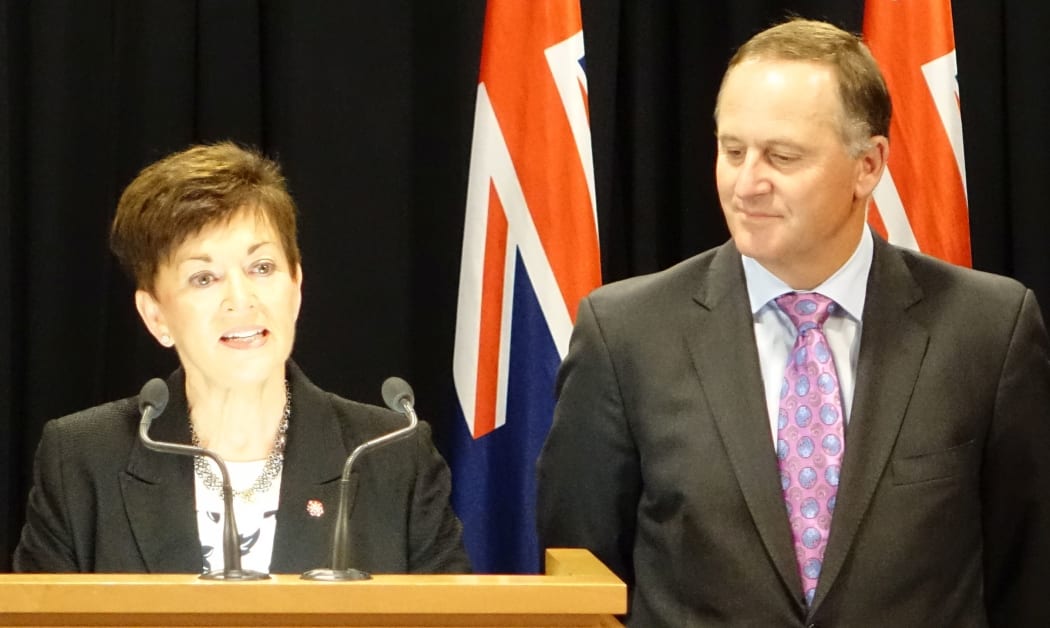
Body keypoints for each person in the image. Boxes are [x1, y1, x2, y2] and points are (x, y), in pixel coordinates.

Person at [537, 17, 1050, 627]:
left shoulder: (988, 329)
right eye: (732, 151)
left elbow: (1029, 577)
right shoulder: (624, 335)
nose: (747, 183)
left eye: (782, 156)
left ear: (869, 165)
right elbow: (580, 583)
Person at [15, 142, 470, 575]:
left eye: (262, 267)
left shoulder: (390, 456)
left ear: (295, 286)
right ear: (156, 316)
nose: (241, 299)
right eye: (204, 278)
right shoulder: (82, 459)